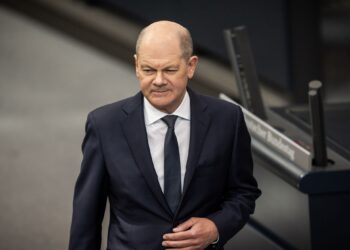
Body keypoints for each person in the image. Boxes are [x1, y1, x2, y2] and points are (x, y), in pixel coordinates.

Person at [69, 20, 261, 250]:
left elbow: (243, 192)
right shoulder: (104, 125)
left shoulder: (227, 119)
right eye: (149, 70)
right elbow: (87, 215)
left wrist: (216, 227)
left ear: (190, 66)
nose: (158, 81)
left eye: (170, 70)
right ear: (137, 66)